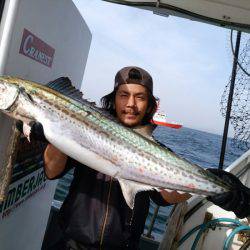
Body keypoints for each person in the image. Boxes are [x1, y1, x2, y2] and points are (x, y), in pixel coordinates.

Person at [17, 67, 250, 250]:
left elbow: (165, 196)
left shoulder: (157, 150)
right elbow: (52, 171)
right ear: (114, 98)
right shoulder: (84, 128)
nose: (130, 104)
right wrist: (52, 133)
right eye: (124, 95)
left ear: (150, 104)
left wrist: (214, 184)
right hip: (71, 243)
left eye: (140, 97)